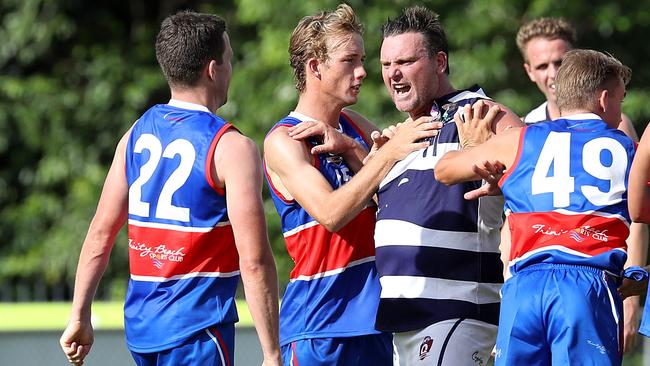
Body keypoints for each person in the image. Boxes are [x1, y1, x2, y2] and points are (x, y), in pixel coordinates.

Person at [59, 11, 282, 366]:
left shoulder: (135, 134)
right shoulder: (231, 148)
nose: (230, 70)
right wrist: (272, 353)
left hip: (143, 331)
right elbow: (254, 262)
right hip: (198, 331)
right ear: (212, 69)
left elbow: (101, 233)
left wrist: (79, 315)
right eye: (229, 61)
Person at [263, 4, 439, 366]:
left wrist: (357, 149)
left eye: (362, 59)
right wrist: (389, 156)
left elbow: (394, 202)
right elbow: (330, 213)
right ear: (315, 67)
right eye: (349, 60)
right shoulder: (285, 139)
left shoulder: (354, 124)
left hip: (374, 322)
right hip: (319, 326)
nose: (362, 72)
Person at [436, 49, 636, 365]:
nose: (619, 113)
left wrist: (485, 157)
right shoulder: (625, 148)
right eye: (620, 102)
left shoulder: (520, 139)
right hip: (586, 287)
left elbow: (444, 169)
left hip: (523, 289)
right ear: (603, 99)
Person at [374, 6, 523, 366]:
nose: (394, 74)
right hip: (405, 320)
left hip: (456, 312)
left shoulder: (479, 113)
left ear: (440, 62)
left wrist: (492, 165)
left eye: (406, 61)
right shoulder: (402, 134)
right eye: (386, 64)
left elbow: (532, 166)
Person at [516, 17, 647, 352]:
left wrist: (632, 296)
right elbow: (512, 219)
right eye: (542, 65)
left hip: (594, 280)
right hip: (534, 286)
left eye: (560, 62)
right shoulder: (524, 129)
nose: (553, 74)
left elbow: (634, 211)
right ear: (529, 71)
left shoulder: (615, 126)